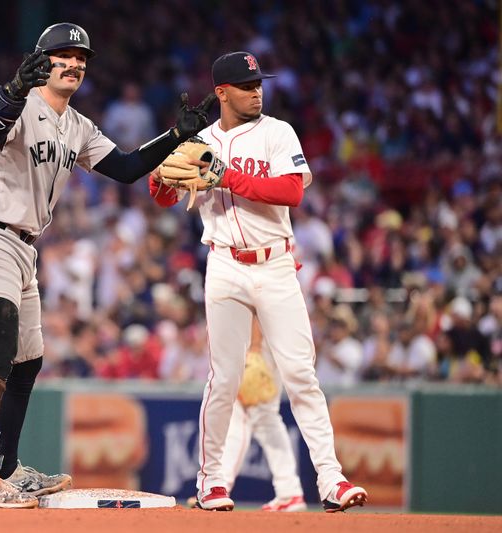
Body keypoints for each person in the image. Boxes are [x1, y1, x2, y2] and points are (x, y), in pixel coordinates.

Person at [0, 22, 214, 509]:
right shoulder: (20, 103)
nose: (74, 64)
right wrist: (11, 89)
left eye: (81, 58)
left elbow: (128, 169)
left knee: (28, 361)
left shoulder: (78, 126)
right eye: (63, 56)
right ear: (41, 62)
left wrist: (177, 135)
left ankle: (7, 470)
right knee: (0, 348)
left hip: (23, 247)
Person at [149, 51, 367, 512]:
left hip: (274, 264)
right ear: (223, 93)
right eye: (247, 86)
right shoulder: (200, 139)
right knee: (223, 379)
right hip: (224, 264)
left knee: (300, 374)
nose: (257, 91)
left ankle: (331, 480)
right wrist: (167, 163)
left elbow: (290, 190)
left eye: (259, 84)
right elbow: (162, 194)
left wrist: (224, 176)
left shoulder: (277, 132)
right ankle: (210, 484)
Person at [217, 317, 307, 512]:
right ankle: (289, 492)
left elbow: (256, 297)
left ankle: (220, 487)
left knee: (242, 413)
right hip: (273, 336)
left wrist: (255, 345)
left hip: (260, 341)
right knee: (265, 418)